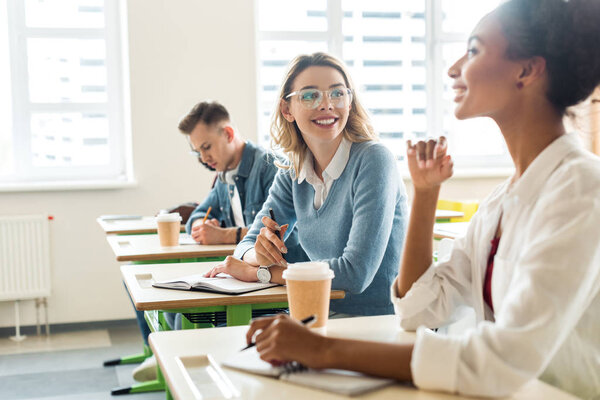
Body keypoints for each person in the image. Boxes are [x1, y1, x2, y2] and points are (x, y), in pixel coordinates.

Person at [243, 1, 600, 398]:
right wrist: (425, 195)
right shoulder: (503, 201)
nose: (453, 68)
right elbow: (416, 308)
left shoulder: (583, 188)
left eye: (475, 50)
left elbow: (501, 362)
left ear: (527, 70)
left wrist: (324, 350)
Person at [206, 52, 408, 317]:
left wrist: (263, 273)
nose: (327, 104)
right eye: (310, 95)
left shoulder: (374, 160)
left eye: (337, 94)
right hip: (316, 309)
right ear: (287, 110)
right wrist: (259, 255)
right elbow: (246, 245)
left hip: (378, 321)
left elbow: (355, 274)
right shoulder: (293, 169)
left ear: (350, 102)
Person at [131, 100, 305, 381]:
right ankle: (168, 359)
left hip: (274, 276)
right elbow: (199, 211)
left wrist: (226, 235)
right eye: (197, 151)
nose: (203, 157)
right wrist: (201, 224)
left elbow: (289, 237)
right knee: (165, 294)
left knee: (182, 305)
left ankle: (178, 365)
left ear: (228, 134)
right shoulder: (224, 175)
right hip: (244, 268)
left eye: (206, 147)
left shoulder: (269, 167)